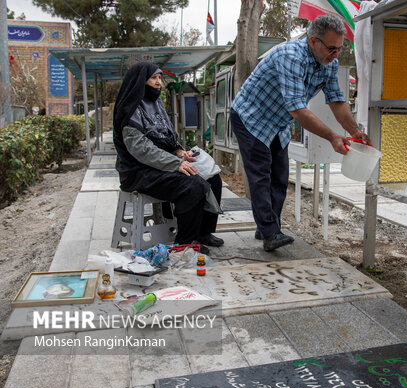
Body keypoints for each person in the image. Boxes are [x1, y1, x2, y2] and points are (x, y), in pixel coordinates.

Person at [230, 14, 370, 252]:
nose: (336, 54)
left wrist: (355, 131)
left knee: (280, 176)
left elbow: (336, 101)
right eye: (331, 48)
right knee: (261, 174)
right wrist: (333, 137)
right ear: (313, 41)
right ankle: (270, 232)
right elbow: (297, 110)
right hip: (251, 117)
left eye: (340, 49)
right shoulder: (291, 56)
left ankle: (265, 226)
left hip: (277, 122)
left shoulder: (329, 63)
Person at [113, 61, 224, 247]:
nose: (159, 83)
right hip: (139, 171)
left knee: (213, 178)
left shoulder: (155, 105)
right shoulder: (129, 110)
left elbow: (165, 137)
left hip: (161, 165)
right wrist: (176, 163)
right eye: (153, 78)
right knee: (193, 184)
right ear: (140, 81)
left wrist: (179, 151)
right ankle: (185, 243)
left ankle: (203, 233)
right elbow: (142, 150)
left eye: (159, 78)